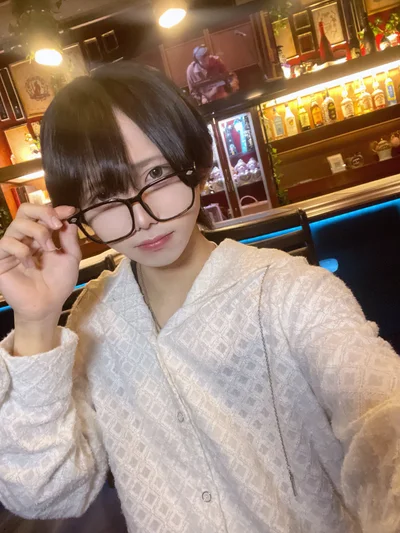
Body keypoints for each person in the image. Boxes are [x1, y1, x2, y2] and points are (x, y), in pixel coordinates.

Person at [0, 62, 399, 533]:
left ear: (198, 168)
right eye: (105, 196)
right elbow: (45, 493)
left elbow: (379, 416)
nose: (143, 218)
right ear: (74, 213)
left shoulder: (288, 291)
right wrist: (36, 320)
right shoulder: (91, 321)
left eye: (156, 175)